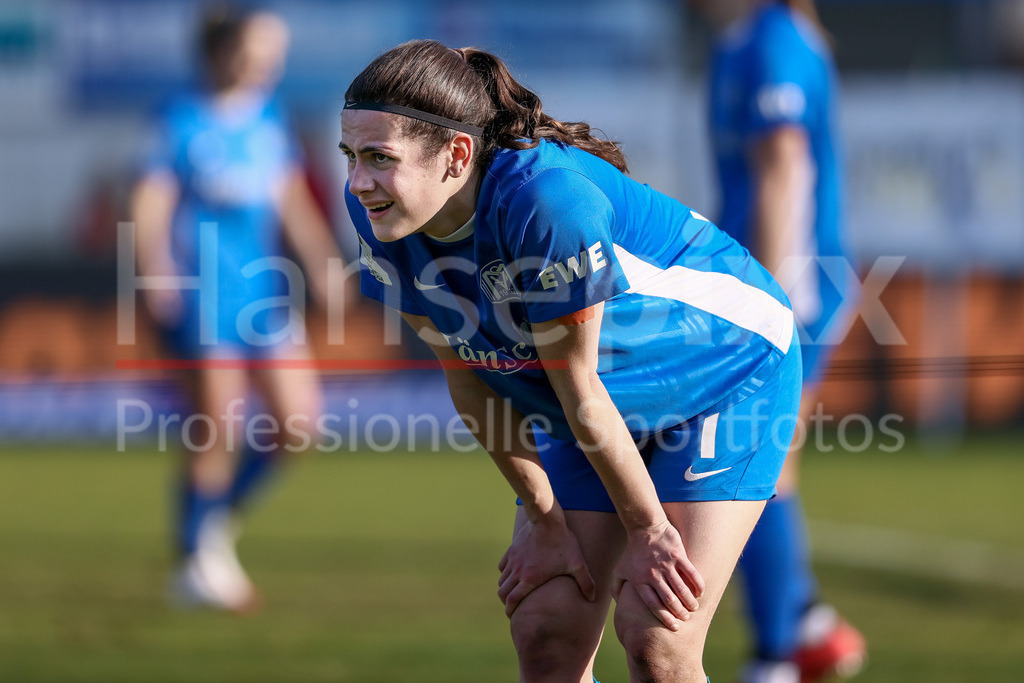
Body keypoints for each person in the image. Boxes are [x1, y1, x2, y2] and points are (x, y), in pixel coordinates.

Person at [340, 39, 803, 682]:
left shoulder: (548, 202)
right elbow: (468, 378)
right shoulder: (381, 213)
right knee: (546, 629)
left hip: (728, 368)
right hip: (596, 402)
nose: (358, 181)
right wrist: (542, 516)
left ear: (457, 155)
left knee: (657, 638)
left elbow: (579, 386)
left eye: (379, 158)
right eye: (351, 156)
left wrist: (648, 532)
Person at [130, 5, 343, 612]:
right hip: (203, 295)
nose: (267, 64)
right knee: (216, 429)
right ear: (222, 52)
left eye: (273, 53)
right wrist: (153, 271)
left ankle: (212, 524)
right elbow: (149, 202)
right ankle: (194, 563)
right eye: (256, 51)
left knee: (298, 424)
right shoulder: (180, 120)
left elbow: (290, 201)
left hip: (264, 296)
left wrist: (323, 262)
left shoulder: (269, 118)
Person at [686, 1, 866, 681]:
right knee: (754, 458)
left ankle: (780, 651)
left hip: (793, 287)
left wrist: (768, 300)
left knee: (755, 461)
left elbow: (784, 163)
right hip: (762, 282)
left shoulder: (773, 42)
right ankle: (803, 622)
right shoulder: (743, 43)